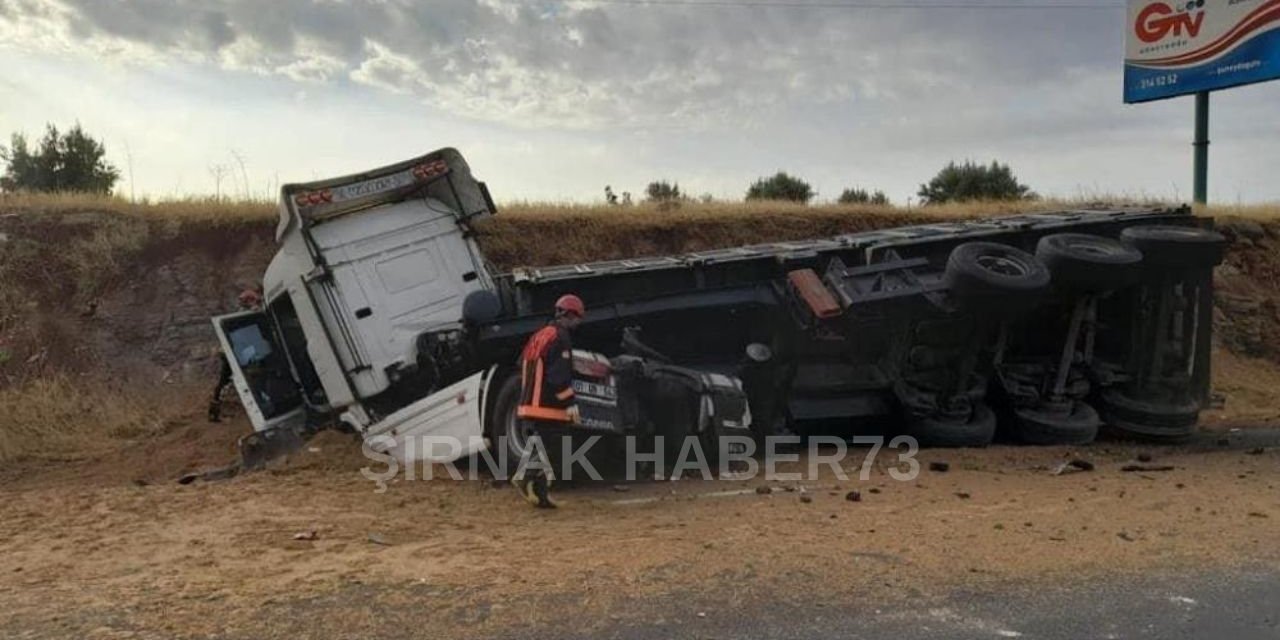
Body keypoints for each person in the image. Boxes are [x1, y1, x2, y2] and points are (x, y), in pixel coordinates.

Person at [512, 294, 585, 508]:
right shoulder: (561, 337)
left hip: (530, 402)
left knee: (545, 445)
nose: (579, 323)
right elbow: (558, 377)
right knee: (554, 448)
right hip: (547, 405)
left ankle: (542, 495)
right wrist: (570, 401)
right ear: (570, 315)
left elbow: (521, 363)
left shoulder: (540, 335)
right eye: (578, 317)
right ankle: (525, 478)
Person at [207, 286, 264, 422]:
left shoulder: (240, 315)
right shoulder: (243, 315)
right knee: (251, 376)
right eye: (253, 301)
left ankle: (214, 411)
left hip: (236, 352)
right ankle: (215, 411)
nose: (256, 304)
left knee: (225, 381)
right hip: (234, 353)